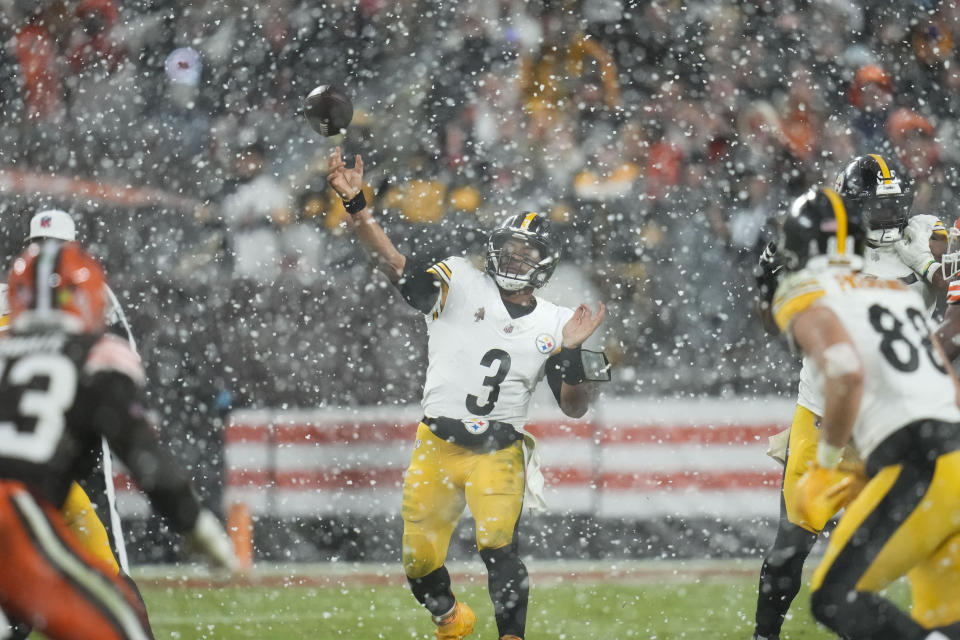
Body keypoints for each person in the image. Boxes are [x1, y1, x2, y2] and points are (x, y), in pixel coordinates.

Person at [326, 146, 607, 640]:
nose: (514, 258)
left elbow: (575, 407)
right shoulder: (459, 278)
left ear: (545, 263)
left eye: (526, 253)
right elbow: (393, 265)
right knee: (418, 561)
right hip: (437, 444)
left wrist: (573, 353)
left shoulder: (559, 321)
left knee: (500, 548)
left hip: (497, 450)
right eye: (510, 248)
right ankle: (450, 618)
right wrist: (360, 210)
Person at [752, 154, 951, 640]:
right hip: (853, 417)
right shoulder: (854, 264)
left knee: (848, 571)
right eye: (875, 208)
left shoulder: (917, 241)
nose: (888, 218)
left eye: (894, 206)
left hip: (878, 425)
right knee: (794, 547)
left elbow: (840, 360)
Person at [0, 240, 237, 639]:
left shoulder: (7, 350)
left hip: (28, 503)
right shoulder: (98, 354)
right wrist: (195, 525)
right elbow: (143, 455)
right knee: (122, 626)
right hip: (17, 507)